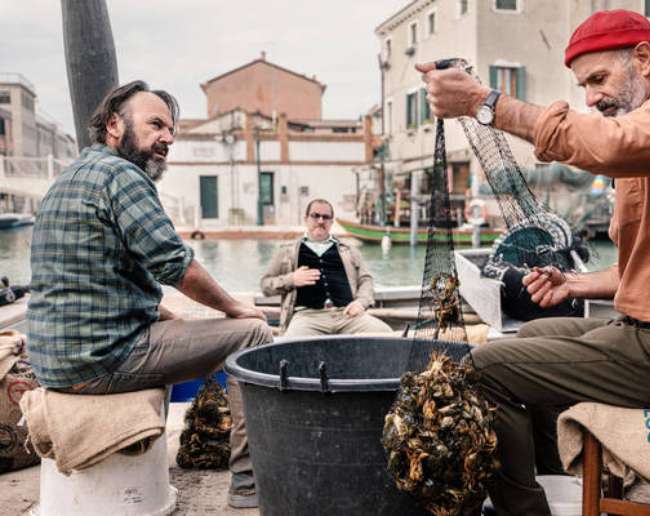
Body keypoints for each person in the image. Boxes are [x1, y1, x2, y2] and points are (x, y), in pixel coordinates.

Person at [417, 9, 650, 515]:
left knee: (483, 369)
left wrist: (482, 102)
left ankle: (525, 511)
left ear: (644, 60)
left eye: (598, 79)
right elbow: (649, 270)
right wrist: (574, 285)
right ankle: (560, 487)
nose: (590, 97)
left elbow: (601, 145)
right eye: (582, 85)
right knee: (532, 337)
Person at [26, 81, 272, 509]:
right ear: (115, 125)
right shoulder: (123, 175)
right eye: (156, 124)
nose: (168, 138)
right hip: (101, 360)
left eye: (171, 130)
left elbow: (101, 279)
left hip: (56, 361)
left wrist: (172, 319)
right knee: (251, 334)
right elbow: (174, 264)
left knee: (190, 325)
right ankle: (249, 484)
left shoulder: (69, 178)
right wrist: (235, 308)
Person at [261, 199, 392, 336]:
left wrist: (361, 303)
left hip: (347, 316)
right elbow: (265, 285)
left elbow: (366, 280)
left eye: (326, 217)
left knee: (387, 335)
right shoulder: (287, 251)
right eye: (315, 216)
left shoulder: (349, 250)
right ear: (306, 219)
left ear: (331, 222)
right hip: (307, 317)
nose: (321, 221)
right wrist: (292, 279)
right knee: (290, 345)